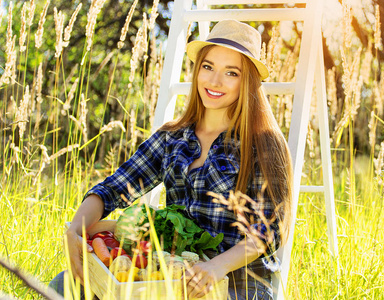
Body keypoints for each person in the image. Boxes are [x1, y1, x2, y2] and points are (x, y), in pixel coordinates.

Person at [50, 19, 293, 300]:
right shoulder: (172, 139)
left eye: (231, 73)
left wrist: (217, 267)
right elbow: (113, 190)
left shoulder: (262, 142)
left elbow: (270, 230)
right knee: (64, 284)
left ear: (247, 80)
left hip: (240, 284)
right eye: (208, 67)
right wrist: (75, 230)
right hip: (175, 276)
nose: (214, 81)